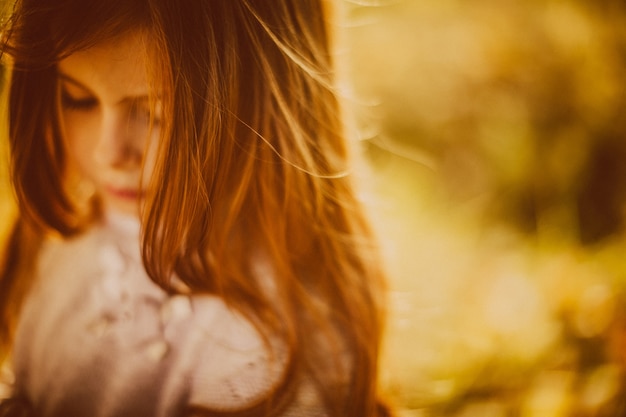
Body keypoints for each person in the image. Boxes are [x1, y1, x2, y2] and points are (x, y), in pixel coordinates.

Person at [0, 0, 391, 416]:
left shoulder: (277, 336)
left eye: (154, 114)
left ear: (264, 107)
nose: (109, 152)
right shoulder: (61, 232)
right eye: (77, 100)